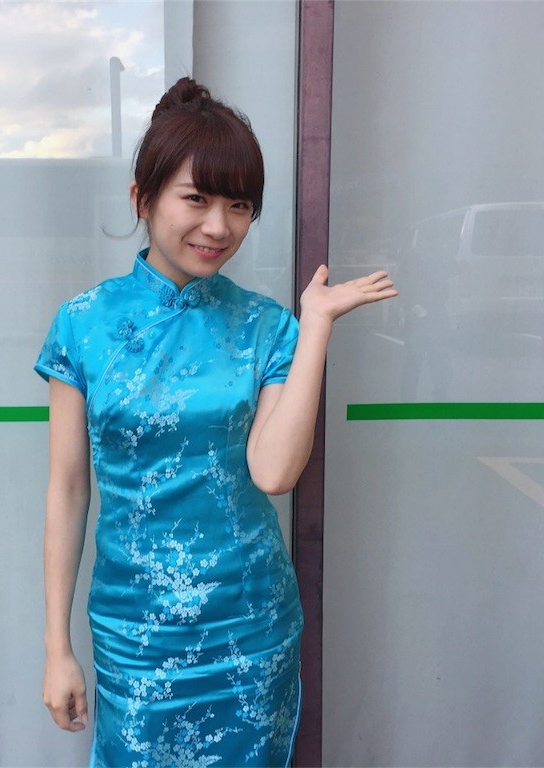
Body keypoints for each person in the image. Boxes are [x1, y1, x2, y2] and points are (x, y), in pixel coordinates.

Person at [35, 77, 396, 767]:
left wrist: (315, 325)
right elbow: (68, 490)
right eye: (196, 199)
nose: (219, 227)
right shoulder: (82, 324)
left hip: (249, 629)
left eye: (239, 205)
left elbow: (274, 472)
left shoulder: (266, 326)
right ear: (142, 198)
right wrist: (57, 648)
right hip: (135, 634)